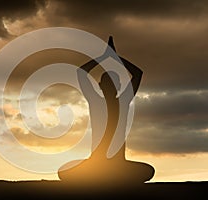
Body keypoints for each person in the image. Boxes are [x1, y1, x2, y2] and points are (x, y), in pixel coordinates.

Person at [58, 36, 154, 186]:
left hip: (118, 164)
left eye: (113, 83)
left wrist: (113, 57)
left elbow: (138, 74)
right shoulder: (97, 102)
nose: (110, 86)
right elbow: (81, 72)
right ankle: (107, 177)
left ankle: (103, 177)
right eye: (107, 83)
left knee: (149, 170)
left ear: (119, 85)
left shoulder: (122, 102)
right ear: (100, 85)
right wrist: (105, 57)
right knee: (63, 171)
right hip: (97, 163)